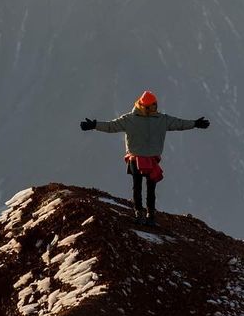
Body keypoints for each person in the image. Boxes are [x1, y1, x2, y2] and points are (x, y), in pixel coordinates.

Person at [81, 90, 209, 225]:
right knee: (150, 188)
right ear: (150, 106)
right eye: (153, 105)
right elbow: (179, 124)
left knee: (137, 186)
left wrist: (94, 125)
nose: (155, 107)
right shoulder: (162, 120)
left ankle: (139, 214)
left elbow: (111, 126)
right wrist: (195, 123)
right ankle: (150, 215)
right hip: (151, 160)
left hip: (135, 159)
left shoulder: (129, 119)